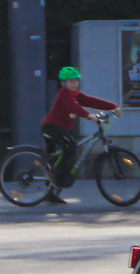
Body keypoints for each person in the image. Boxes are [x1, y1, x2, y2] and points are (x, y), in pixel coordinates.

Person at [40, 66, 118, 205]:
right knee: (71, 147)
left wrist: (112, 106)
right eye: (71, 81)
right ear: (63, 83)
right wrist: (89, 115)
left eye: (76, 80)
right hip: (51, 127)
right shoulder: (64, 94)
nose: (74, 83)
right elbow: (73, 107)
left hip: (60, 129)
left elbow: (90, 101)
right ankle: (57, 176)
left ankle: (51, 192)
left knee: (64, 156)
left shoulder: (76, 94)